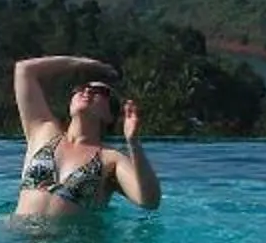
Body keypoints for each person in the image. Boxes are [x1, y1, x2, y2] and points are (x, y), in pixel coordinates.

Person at [12, 53, 160, 216]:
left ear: (110, 115)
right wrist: (83, 63)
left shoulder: (110, 159)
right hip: (19, 238)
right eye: (81, 88)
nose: (88, 90)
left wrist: (133, 142)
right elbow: (24, 69)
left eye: (100, 91)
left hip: (70, 241)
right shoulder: (43, 131)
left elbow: (149, 201)